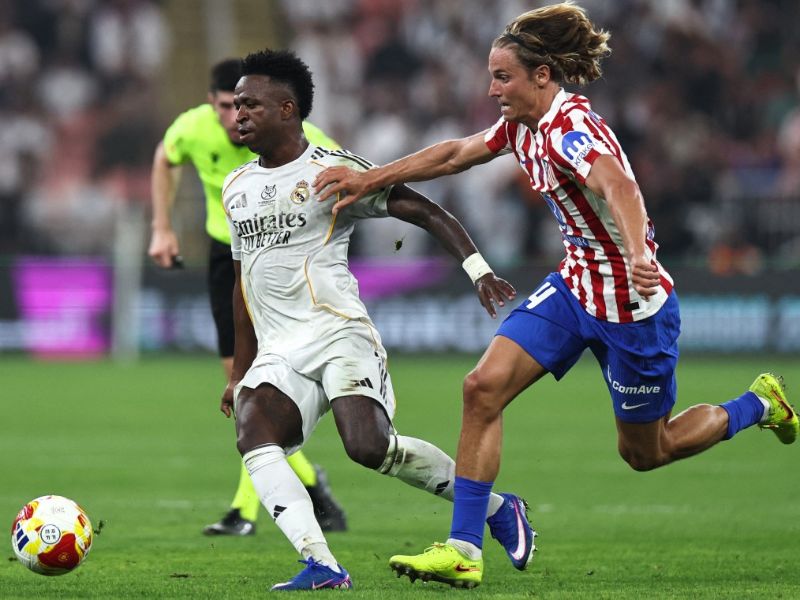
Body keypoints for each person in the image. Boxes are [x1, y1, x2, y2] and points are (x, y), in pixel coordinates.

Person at [313, 2, 799, 589]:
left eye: (503, 77)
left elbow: (618, 185)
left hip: (630, 309)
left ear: (542, 76)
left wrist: (641, 256)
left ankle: (758, 405)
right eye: (492, 76)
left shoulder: (570, 129)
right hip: (574, 289)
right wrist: (369, 177)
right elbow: (454, 153)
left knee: (648, 451)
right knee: (481, 388)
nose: (492, 89)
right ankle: (465, 548)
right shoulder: (523, 126)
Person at [221, 48, 536, 591]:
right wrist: (238, 371)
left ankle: (498, 510)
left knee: (369, 448)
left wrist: (477, 268)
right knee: (254, 431)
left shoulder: (330, 170)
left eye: (250, 104)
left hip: (339, 333)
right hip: (279, 349)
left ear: (287, 109)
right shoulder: (236, 188)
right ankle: (322, 565)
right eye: (234, 105)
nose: (238, 114)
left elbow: (423, 209)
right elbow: (242, 284)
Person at [147, 58, 347, 537]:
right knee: (243, 387)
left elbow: (347, 177)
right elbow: (164, 158)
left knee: (253, 390)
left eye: (238, 105)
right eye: (222, 106)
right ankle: (311, 485)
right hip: (229, 261)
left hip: (284, 269)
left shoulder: (297, 133)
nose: (230, 118)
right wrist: (162, 227)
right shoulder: (192, 128)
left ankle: (244, 511)